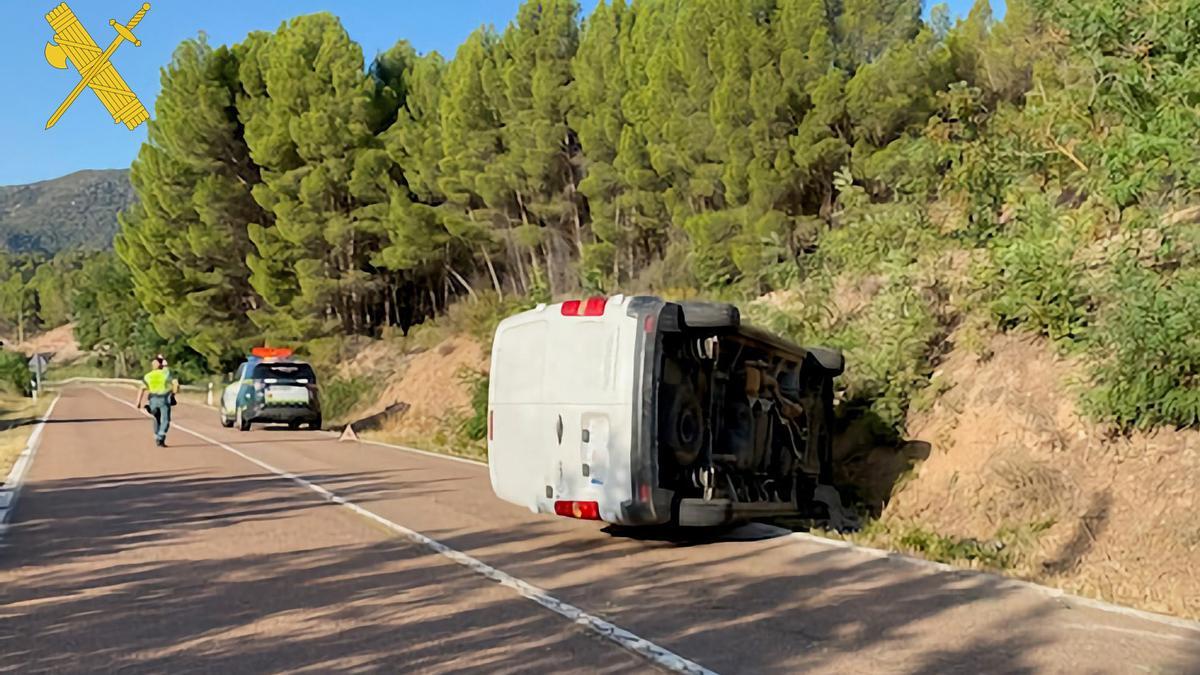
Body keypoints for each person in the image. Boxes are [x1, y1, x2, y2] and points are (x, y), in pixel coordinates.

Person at [135, 355, 179, 447]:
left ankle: (152, 411)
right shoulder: (166, 373)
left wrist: (138, 402)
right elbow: (176, 384)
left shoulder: (148, 376)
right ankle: (160, 436)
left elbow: (142, 388)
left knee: (156, 418)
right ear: (161, 365)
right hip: (164, 399)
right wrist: (173, 394)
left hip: (152, 399)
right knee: (165, 420)